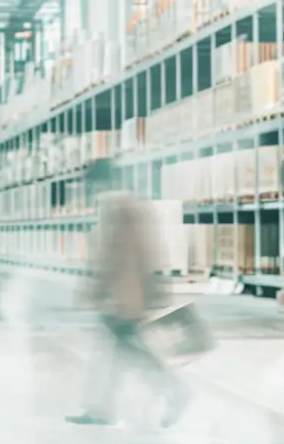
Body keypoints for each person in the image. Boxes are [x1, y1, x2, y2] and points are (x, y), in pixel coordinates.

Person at [72, 160, 193, 428]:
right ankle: (103, 409)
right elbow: (149, 253)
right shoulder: (134, 207)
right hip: (129, 296)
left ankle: (175, 391)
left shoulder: (117, 210)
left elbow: (110, 258)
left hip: (123, 299)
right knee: (118, 353)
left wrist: (94, 291)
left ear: (100, 184)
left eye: (91, 185)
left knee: (129, 353)